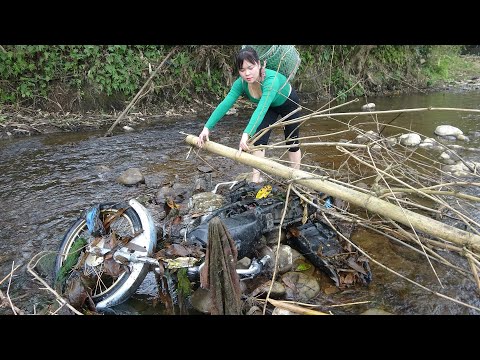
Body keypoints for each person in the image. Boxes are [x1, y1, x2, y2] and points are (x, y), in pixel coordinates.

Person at [197, 46, 302, 183]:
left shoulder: (271, 81)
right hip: (270, 106)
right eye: (242, 70)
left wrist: (246, 133)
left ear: (259, 64)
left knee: (292, 141)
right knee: (258, 141)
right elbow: (225, 104)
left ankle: (297, 178)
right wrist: (207, 128)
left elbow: (261, 108)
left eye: (250, 68)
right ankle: (256, 180)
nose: (247, 73)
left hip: (288, 103)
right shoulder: (241, 84)